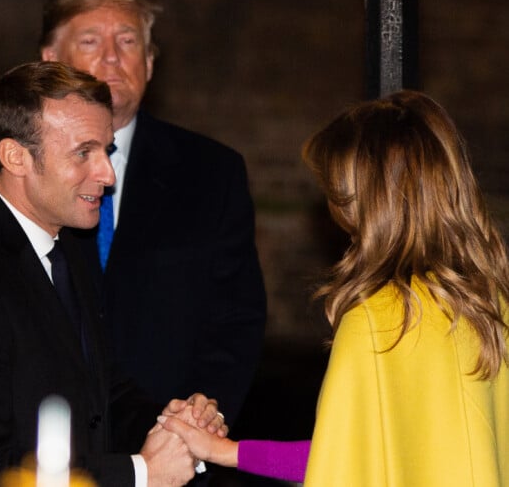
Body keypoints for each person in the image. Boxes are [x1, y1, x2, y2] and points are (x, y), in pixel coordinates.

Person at [0, 0, 266, 425]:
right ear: (50, 59)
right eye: (91, 40)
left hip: (164, 432)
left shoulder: (212, 171)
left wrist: (191, 428)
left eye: (127, 41)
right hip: (26, 439)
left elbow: (233, 323)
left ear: (149, 62)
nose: (111, 56)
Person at [156, 90, 509, 486]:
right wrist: (227, 451)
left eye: (339, 191)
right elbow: (344, 450)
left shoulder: (377, 322)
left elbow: (336, 467)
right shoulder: (487, 303)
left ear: (366, 203)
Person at [0, 61, 227, 487]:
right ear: (16, 157)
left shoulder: (66, 242)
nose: (106, 175)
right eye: (83, 152)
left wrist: (176, 425)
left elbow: (99, 393)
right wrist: (140, 473)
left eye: (106, 150)